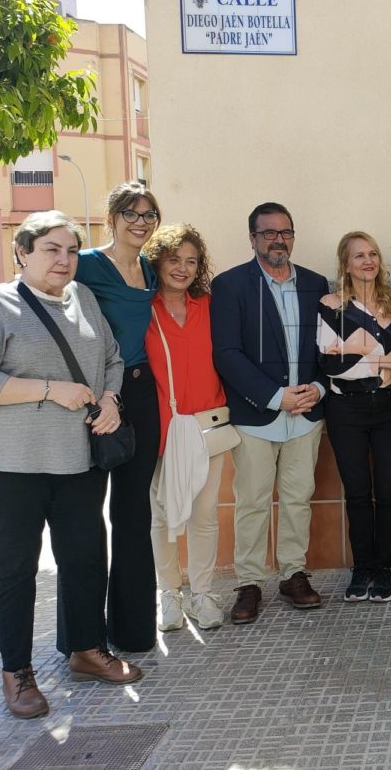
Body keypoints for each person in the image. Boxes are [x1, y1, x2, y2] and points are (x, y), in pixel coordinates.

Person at [0, 211, 142, 720]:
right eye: (51, 250)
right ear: (22, 253)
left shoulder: (82, 298)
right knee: (15, 568)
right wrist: (48, 389)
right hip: (6, 464)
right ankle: (17, 672)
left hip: (77, 459)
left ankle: (86, 649)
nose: (64, 260)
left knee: (84, 556)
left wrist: (110, 399)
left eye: (72, 250)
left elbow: (113, 357)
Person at [211, 202, 329, 624]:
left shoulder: (317, 283)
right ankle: (249, 582)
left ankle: (293, 574)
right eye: (269, 233)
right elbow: (226, 353)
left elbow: (328, 347)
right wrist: (276, 397)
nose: (278, 240)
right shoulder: (230, 285)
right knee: (253, 501)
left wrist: (317, 388)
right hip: (257, 414)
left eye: (285, 233)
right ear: (253, 239)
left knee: (298, 498)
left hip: (308, 413)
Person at [73, 181, 162, 654]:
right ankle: (83, 639)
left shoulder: (149, 267)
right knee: (86, 518)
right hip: (93, 397)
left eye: (149, 214)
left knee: (133, 514)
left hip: (140, 392)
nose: (141, 222)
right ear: (112, 217)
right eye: (131, 213)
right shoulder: (85, 265)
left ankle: (132, 632)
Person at [318, 231, 391, 603]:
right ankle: (362, 568)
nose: (367, 261)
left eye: (373, 254)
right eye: (358, 256)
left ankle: (384, 568)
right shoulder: (331, 305)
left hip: (390, 406)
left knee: (390, 489)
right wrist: (378, 361)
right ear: (345, 263)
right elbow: (330, 363)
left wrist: (357, 356)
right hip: (346, 410)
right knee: (358, 492)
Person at [143, 224, 229, 631]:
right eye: (174, 259)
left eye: (191, 261)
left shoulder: (210, 306)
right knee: (161, 515)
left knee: (204, 513)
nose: (183, 268)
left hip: (209, 425)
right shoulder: (143, 308)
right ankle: (169, 595)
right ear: (157, 260)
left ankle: (203, 593)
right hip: (159, 431)